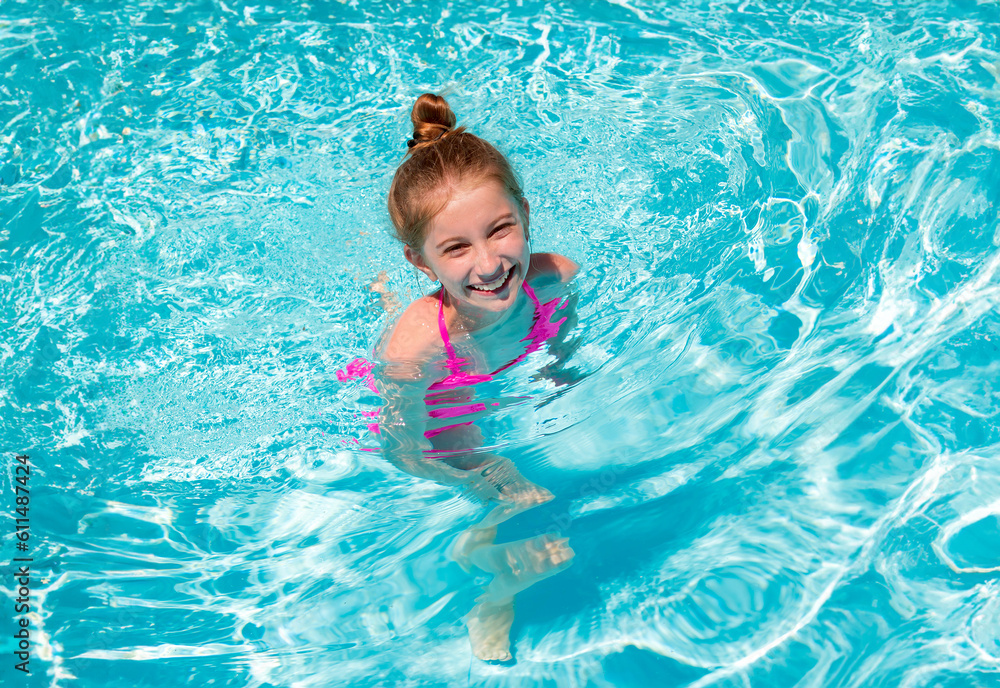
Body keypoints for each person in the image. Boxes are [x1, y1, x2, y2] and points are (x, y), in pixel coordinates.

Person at [372, 93, 578, 662]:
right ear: (422, 262)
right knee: (515, 494)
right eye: (457, 248)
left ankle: (491, 554)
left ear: (526, 216)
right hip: (448, 390)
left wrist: (561, 371)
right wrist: (481, 479)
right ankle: (489, 585)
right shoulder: (420, 346)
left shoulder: (554, 277)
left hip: (490, 378)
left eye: (501, 230)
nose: (489, 265)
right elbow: (398, 445)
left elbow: (562, 331)